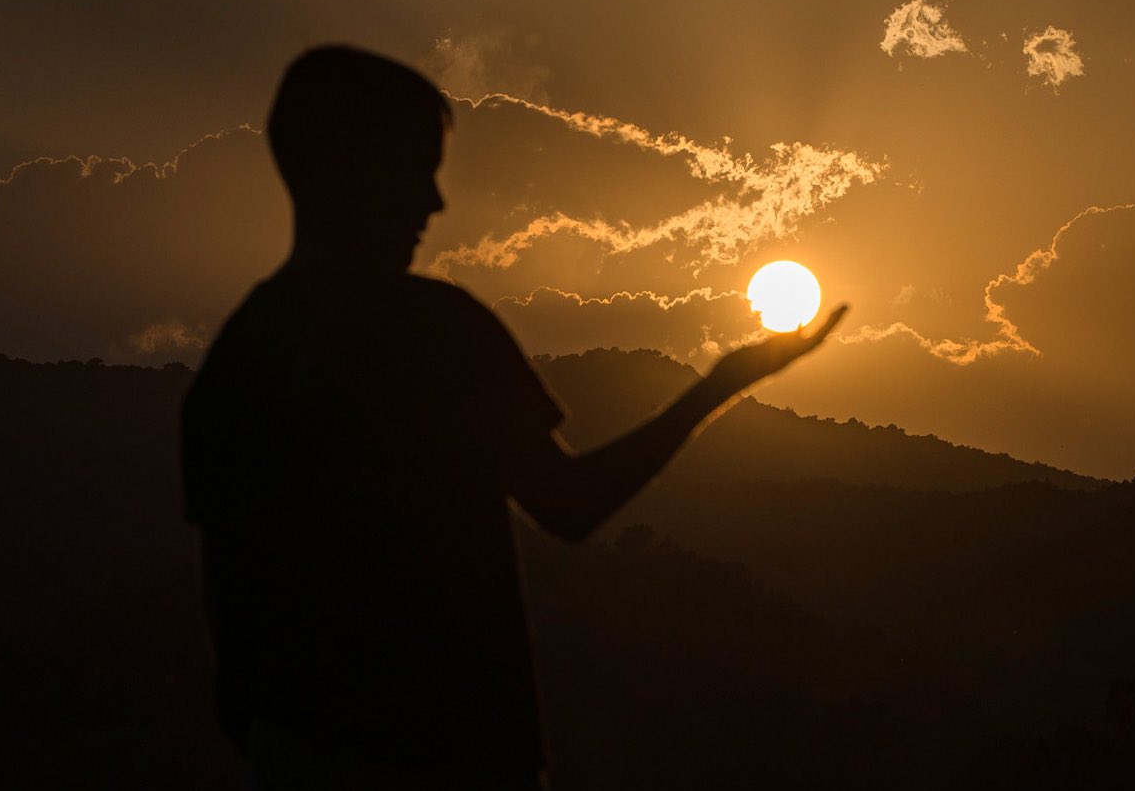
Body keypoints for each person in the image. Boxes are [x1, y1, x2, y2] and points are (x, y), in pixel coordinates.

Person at [181, 46, 847, 790]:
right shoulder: (435, 331)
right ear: (343, 170)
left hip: (296, 753)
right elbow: (568, 505)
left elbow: (225, 593)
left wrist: (276, 737)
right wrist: (721, 384)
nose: (432, 203)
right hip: (453, 756)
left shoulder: (243, 352)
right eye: (412, 170)